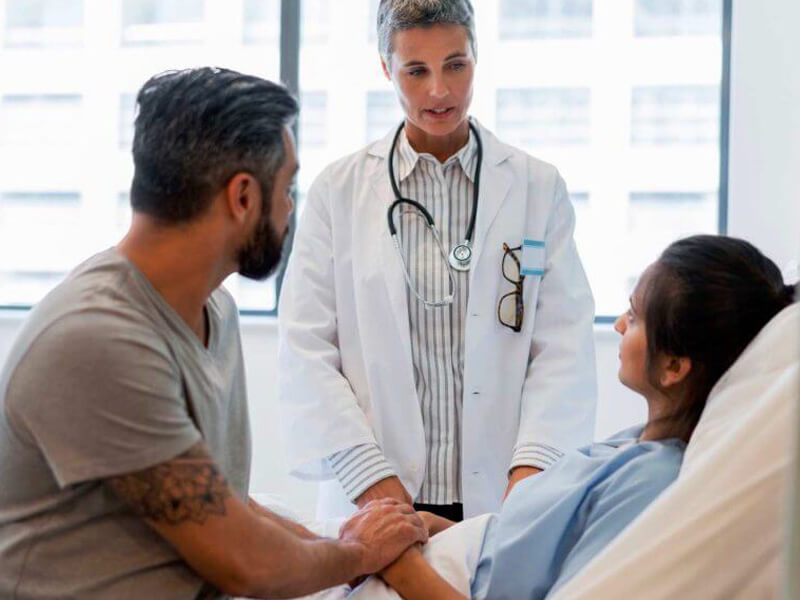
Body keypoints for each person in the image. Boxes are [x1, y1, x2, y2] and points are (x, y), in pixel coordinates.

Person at [0, 67, 427, 600]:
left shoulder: (214, 311)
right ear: (243, 197)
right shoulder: (95, 339)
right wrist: (359, 553)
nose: (290, 208)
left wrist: (348, 546)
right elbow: (245, 563)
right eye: (287, 188)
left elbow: (220, 506)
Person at [278, 0, 597, 525]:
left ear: (477, 57)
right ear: (387, 69)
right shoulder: (338, 191)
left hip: (504, 492)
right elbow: (306, 345)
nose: (439, 91)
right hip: (376, 492)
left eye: (455, 65)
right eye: (416, 71)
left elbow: (564, 344)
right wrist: (370, 481)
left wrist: (531, 476)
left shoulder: (537, 187)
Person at [364, 235, 796, 599]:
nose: (619, 326)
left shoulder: (652, 480)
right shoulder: (632, 444)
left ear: (673, 366)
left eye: (634, 317)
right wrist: (439, 529)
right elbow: (529, 543)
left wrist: (396, 564)